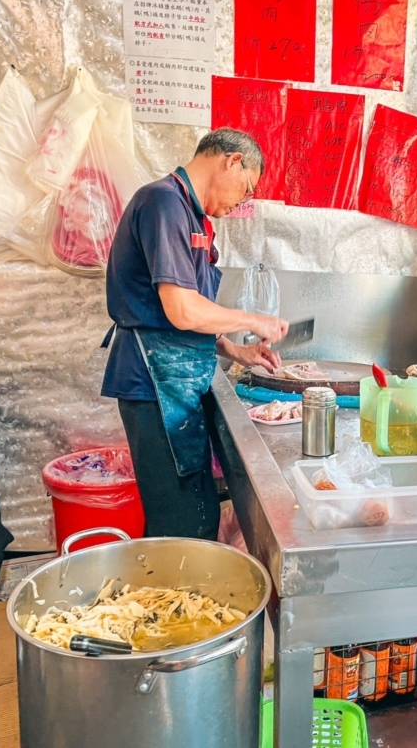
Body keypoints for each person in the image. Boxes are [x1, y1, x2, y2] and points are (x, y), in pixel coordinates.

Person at [100, 128, 288, 540]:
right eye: (246, 188)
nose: (241, 202)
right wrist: (250, 318)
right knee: (180, 519)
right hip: (153, 383)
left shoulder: (190, 214)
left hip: (176, 379)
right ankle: (172, 601)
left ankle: (179, 595)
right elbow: (181, 309)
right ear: (232, 161)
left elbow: (184, 312)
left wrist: (235, 351)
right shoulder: (163, 202)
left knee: (191, 510)